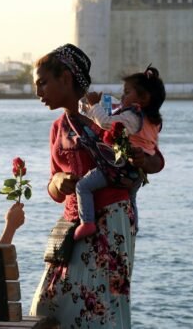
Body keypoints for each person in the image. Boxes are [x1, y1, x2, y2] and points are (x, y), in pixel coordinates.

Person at [29, 44, 164, 328]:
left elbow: (157, 161)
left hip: (110, 223)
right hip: (72, 227)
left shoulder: (108, 115)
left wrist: (140, 158)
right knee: (48, 305)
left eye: (43, 83)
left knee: (102, 309)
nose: (38, 91)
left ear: (65, 78)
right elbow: (52, 187)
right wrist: (57, 182)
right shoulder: (58, 127)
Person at [73, 66, 166, 239]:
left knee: (82, 186)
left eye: (127, 92)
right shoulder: (152, 121)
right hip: (138, 173)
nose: (123, 96)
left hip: (120, 167)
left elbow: (106, 122)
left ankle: (87, 222)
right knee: (131, 199)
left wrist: (93, 105)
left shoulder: (132, 116)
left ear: (144, 99)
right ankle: (133, 228)